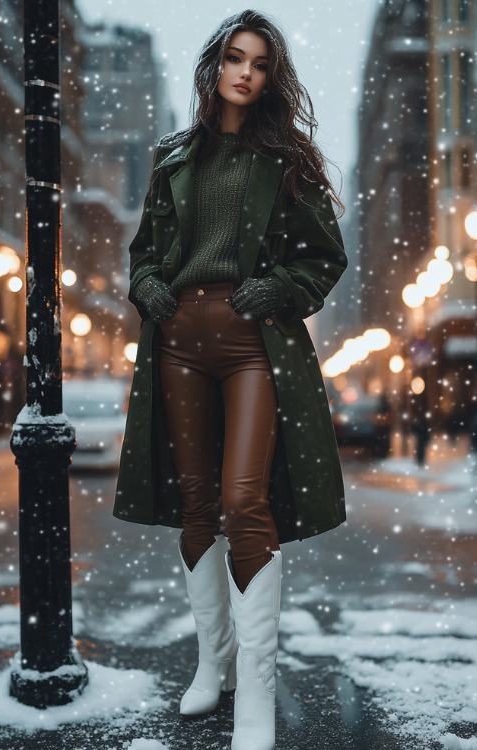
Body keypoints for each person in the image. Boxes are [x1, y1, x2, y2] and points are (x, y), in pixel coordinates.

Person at [115, 10, 347, 750]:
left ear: (270, 79)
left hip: (253, 347)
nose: (246, 73)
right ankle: (211, 665)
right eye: (235, 59)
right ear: (214, 66)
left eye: (261, 65)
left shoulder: (287, 162)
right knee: (195, 504)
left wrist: (276, 290)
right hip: (178, 344)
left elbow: (322, 258)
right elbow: (144, 251)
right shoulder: (173, 157)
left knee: (245, 501)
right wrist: (149, 284)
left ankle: (256, 690)